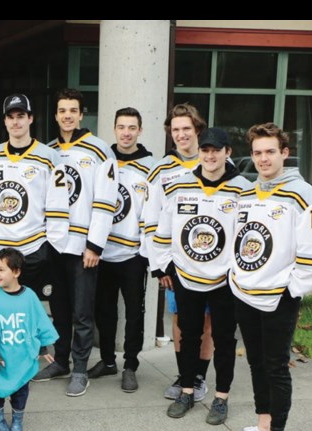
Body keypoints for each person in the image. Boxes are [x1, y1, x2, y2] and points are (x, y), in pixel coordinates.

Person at [227, 123, 312, 431]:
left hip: (279, 296)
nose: (262, 158)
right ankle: (262, 424)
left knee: (275, 366)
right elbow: (240, 241)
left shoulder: (306, 195)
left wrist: (293, 288)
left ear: (284, 153)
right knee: (256, 362)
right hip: (245, 292)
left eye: (270, 151)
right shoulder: (245, 194)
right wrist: (235, 274)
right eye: (257, 152)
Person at [153, 127, 250, 422]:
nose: (210, 155)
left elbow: (248, 236)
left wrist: (241, 272)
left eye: (216, 150)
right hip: (187, 275)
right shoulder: (181, 185)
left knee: (223, 338)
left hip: (224, 280)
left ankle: (221, 398)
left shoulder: (243, 188)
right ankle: (186, 391)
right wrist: (163, 265)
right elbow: (165, 228)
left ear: (227, 153)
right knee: (189, 335)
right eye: (205, 150)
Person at [38, 88, 119, 398]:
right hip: (55, 245)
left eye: (73, 110)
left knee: (82, 312)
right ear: (56, 115)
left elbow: (105, 200)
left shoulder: (99, 151)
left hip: (84, 247)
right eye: (62, 110)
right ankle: (60, 360)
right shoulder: (47, 150)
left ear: (82, 114)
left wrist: (95, 245)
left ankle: (81, 367)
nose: (67, 115)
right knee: (58, 308)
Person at [145, 103, 214, 402]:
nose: (181, 134)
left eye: (186, 128)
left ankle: (199, 375)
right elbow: (151, 219)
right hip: (177, 262)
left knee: (207, 321)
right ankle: (184, 373)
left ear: (197, 129)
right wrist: (159, 266)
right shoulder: (161, 170)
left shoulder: (215, 162)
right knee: (180, 319)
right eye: (175, 130)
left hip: (213, 261)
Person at [88, 107, 158, 393]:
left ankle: (130, 364)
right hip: (102, 252)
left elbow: (153, 210)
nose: (126, 133)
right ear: (114, 129)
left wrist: (148, 251)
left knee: (134, 313)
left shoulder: (152, 165)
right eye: (121, 127)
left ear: (140, 130)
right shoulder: (103, 160)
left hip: (132, 254)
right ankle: (107, 360)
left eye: (132, 127)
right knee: (103, 311)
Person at [0, 94, 66, 293]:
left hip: (33, 251)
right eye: (11, 117)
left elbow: (58, 206)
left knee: (28, 313)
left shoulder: (50, 157)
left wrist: (51, 249)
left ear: (31, 118)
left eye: (21, 115)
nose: (16, 122)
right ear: (5, 121)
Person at [0, 249, 59, 431]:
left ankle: (17, 421)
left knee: (21, 390)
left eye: (2, 269)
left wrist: (41, 348)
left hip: (22, 354)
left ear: (16, 272)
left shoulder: (29, 296)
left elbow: (37, 322)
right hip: (0, 355)